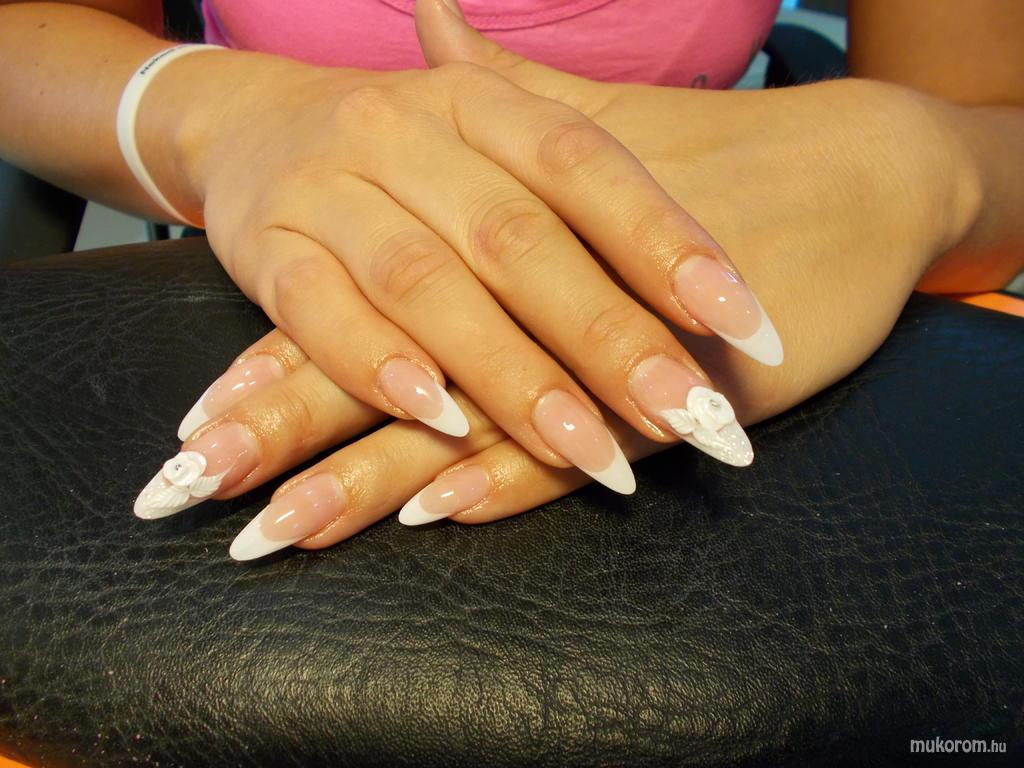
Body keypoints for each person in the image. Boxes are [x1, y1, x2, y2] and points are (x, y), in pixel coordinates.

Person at [1, 0, 1021, 560]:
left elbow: (995, 133)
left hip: (723, 271)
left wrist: (911, 155)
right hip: (267, 268)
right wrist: (215, 114)